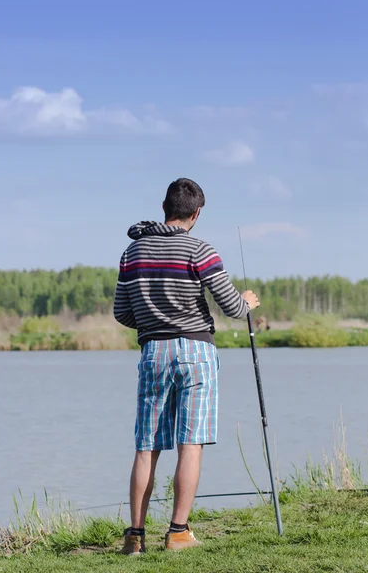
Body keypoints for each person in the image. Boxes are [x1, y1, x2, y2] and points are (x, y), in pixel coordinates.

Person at [114, 178, 260, 555]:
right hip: (196, 351)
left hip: (153, 352)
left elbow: (121, 312)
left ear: (165, 208)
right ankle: (178, 533)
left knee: (146, 446)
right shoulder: (200, 250)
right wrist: (247, 302)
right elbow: (231, 306)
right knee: (189, 443)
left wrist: (152, 321)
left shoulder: (132, 253)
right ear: (195, 214)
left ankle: (135, 537)